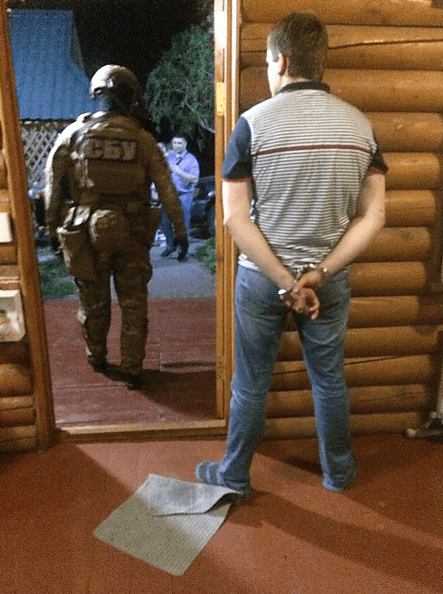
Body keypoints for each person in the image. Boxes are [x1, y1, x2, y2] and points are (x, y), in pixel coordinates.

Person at [196, 12, 387, 497]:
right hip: (328, 281)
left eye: (267, 62)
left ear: (280, 61)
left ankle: (234, 475)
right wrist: (318, 274)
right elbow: (373, 217)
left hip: (262, 280)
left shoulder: (251, 125)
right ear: (319, 61)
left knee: (250, 383)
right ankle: (339, 472)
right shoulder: (360, 126)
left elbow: (235, 219)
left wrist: (286, 282)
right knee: (329, 380)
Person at [45, 65, 187, 390]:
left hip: (85, 234)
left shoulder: (72, 134)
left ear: (96, 93)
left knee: (92, 303)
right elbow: (167, 190)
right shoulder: (143, 140)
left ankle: (96, 356)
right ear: (130, 96)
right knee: (134, 305)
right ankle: (133, 369)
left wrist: (52, 229)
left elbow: (52, 185)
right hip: (132, 233)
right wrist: (180, 231)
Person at [160, 135, 199, 260]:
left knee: (182, 224)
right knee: (163, 221)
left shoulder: (191, 159)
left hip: (184, 196)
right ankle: (170, 244)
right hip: (169, 196)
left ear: (185, 144)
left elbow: (195, 179)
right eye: (174, 143)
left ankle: (183, 251)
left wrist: (178, 171)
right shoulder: (169, 157)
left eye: (179, 143)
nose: (176, 145)